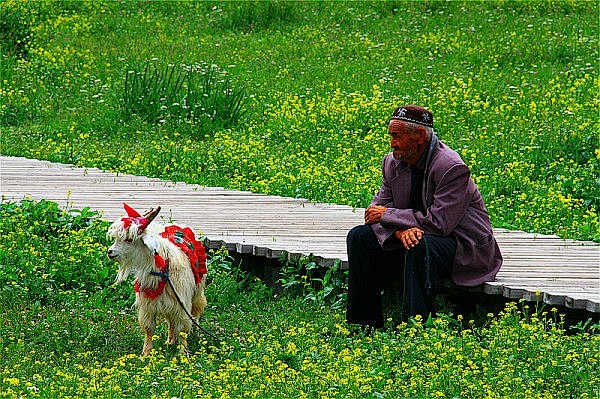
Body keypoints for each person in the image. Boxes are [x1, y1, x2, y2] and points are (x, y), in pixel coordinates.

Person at [346, 105, 502, 328]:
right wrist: (399, 231)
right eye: (391, 136)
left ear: (419, 137)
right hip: (417, 238)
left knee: (419, 243)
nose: (392, 143)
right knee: (359, 237)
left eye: (397, 136)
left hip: (463, 247)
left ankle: (415, 326)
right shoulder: (392, 161)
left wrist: (390, 216)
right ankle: (364, 324)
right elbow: (374, 213)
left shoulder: (451, 167)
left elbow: (439, 224)